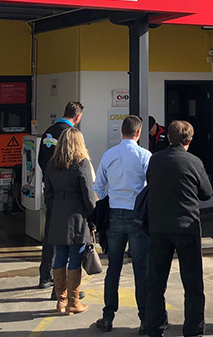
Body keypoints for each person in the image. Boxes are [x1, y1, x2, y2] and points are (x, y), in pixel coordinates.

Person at [145, 120, 213, 337]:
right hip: (187, 226)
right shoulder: (193, 161)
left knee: (156, 282)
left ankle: (155, 327)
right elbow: (207, 193)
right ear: (189, 141)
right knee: (193, 285)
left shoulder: (155, 159)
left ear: (169, 138)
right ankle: (193, 331)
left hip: (158, 226)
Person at [93, 115, 152, 334]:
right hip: (137, 216)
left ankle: (108, 317)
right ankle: (145, 320)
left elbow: (98, 188)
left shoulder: (109, 155)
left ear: (121, 131)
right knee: (141, 270)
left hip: (114, 215)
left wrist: (110, 198)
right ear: (139, 132)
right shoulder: (145, 156)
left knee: (113, 269)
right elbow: (150, 186)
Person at [44, 127, 96, 315]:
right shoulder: (81, 164)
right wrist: (93, 219)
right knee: (75, 256)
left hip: (58, 213)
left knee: (59, 256)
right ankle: (74, 303)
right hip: (77, 215)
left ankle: (61, 300)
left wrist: (55, 208)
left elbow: (47, 194)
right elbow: (88, 195)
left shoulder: (52, 164)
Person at [37, 101, 84, 291]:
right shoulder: (70, 135)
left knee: (50, 234)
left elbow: (42, 160)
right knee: (68, 241)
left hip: (51, 191)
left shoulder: (49, 131)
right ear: (78, 117)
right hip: (68, 196)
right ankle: (64, 286)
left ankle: (45, 276)